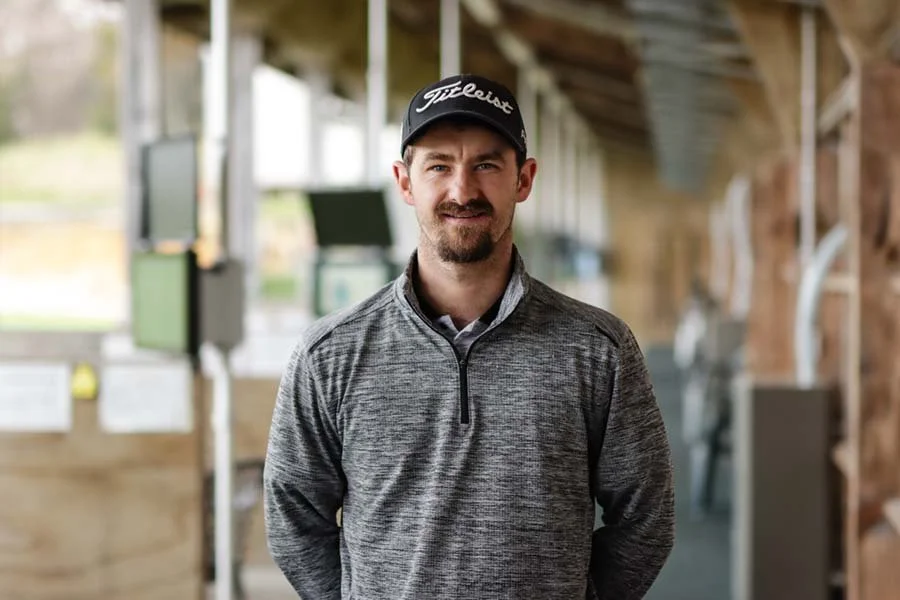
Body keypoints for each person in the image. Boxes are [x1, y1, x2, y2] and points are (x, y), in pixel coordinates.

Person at [264, 74, 675, 600]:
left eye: (486, 164)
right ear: (405, 181)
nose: (462, 190)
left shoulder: (598, 349)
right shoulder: (330, 355)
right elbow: (293, 514)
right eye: (439, 166)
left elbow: (646, 517)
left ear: (523, 179)